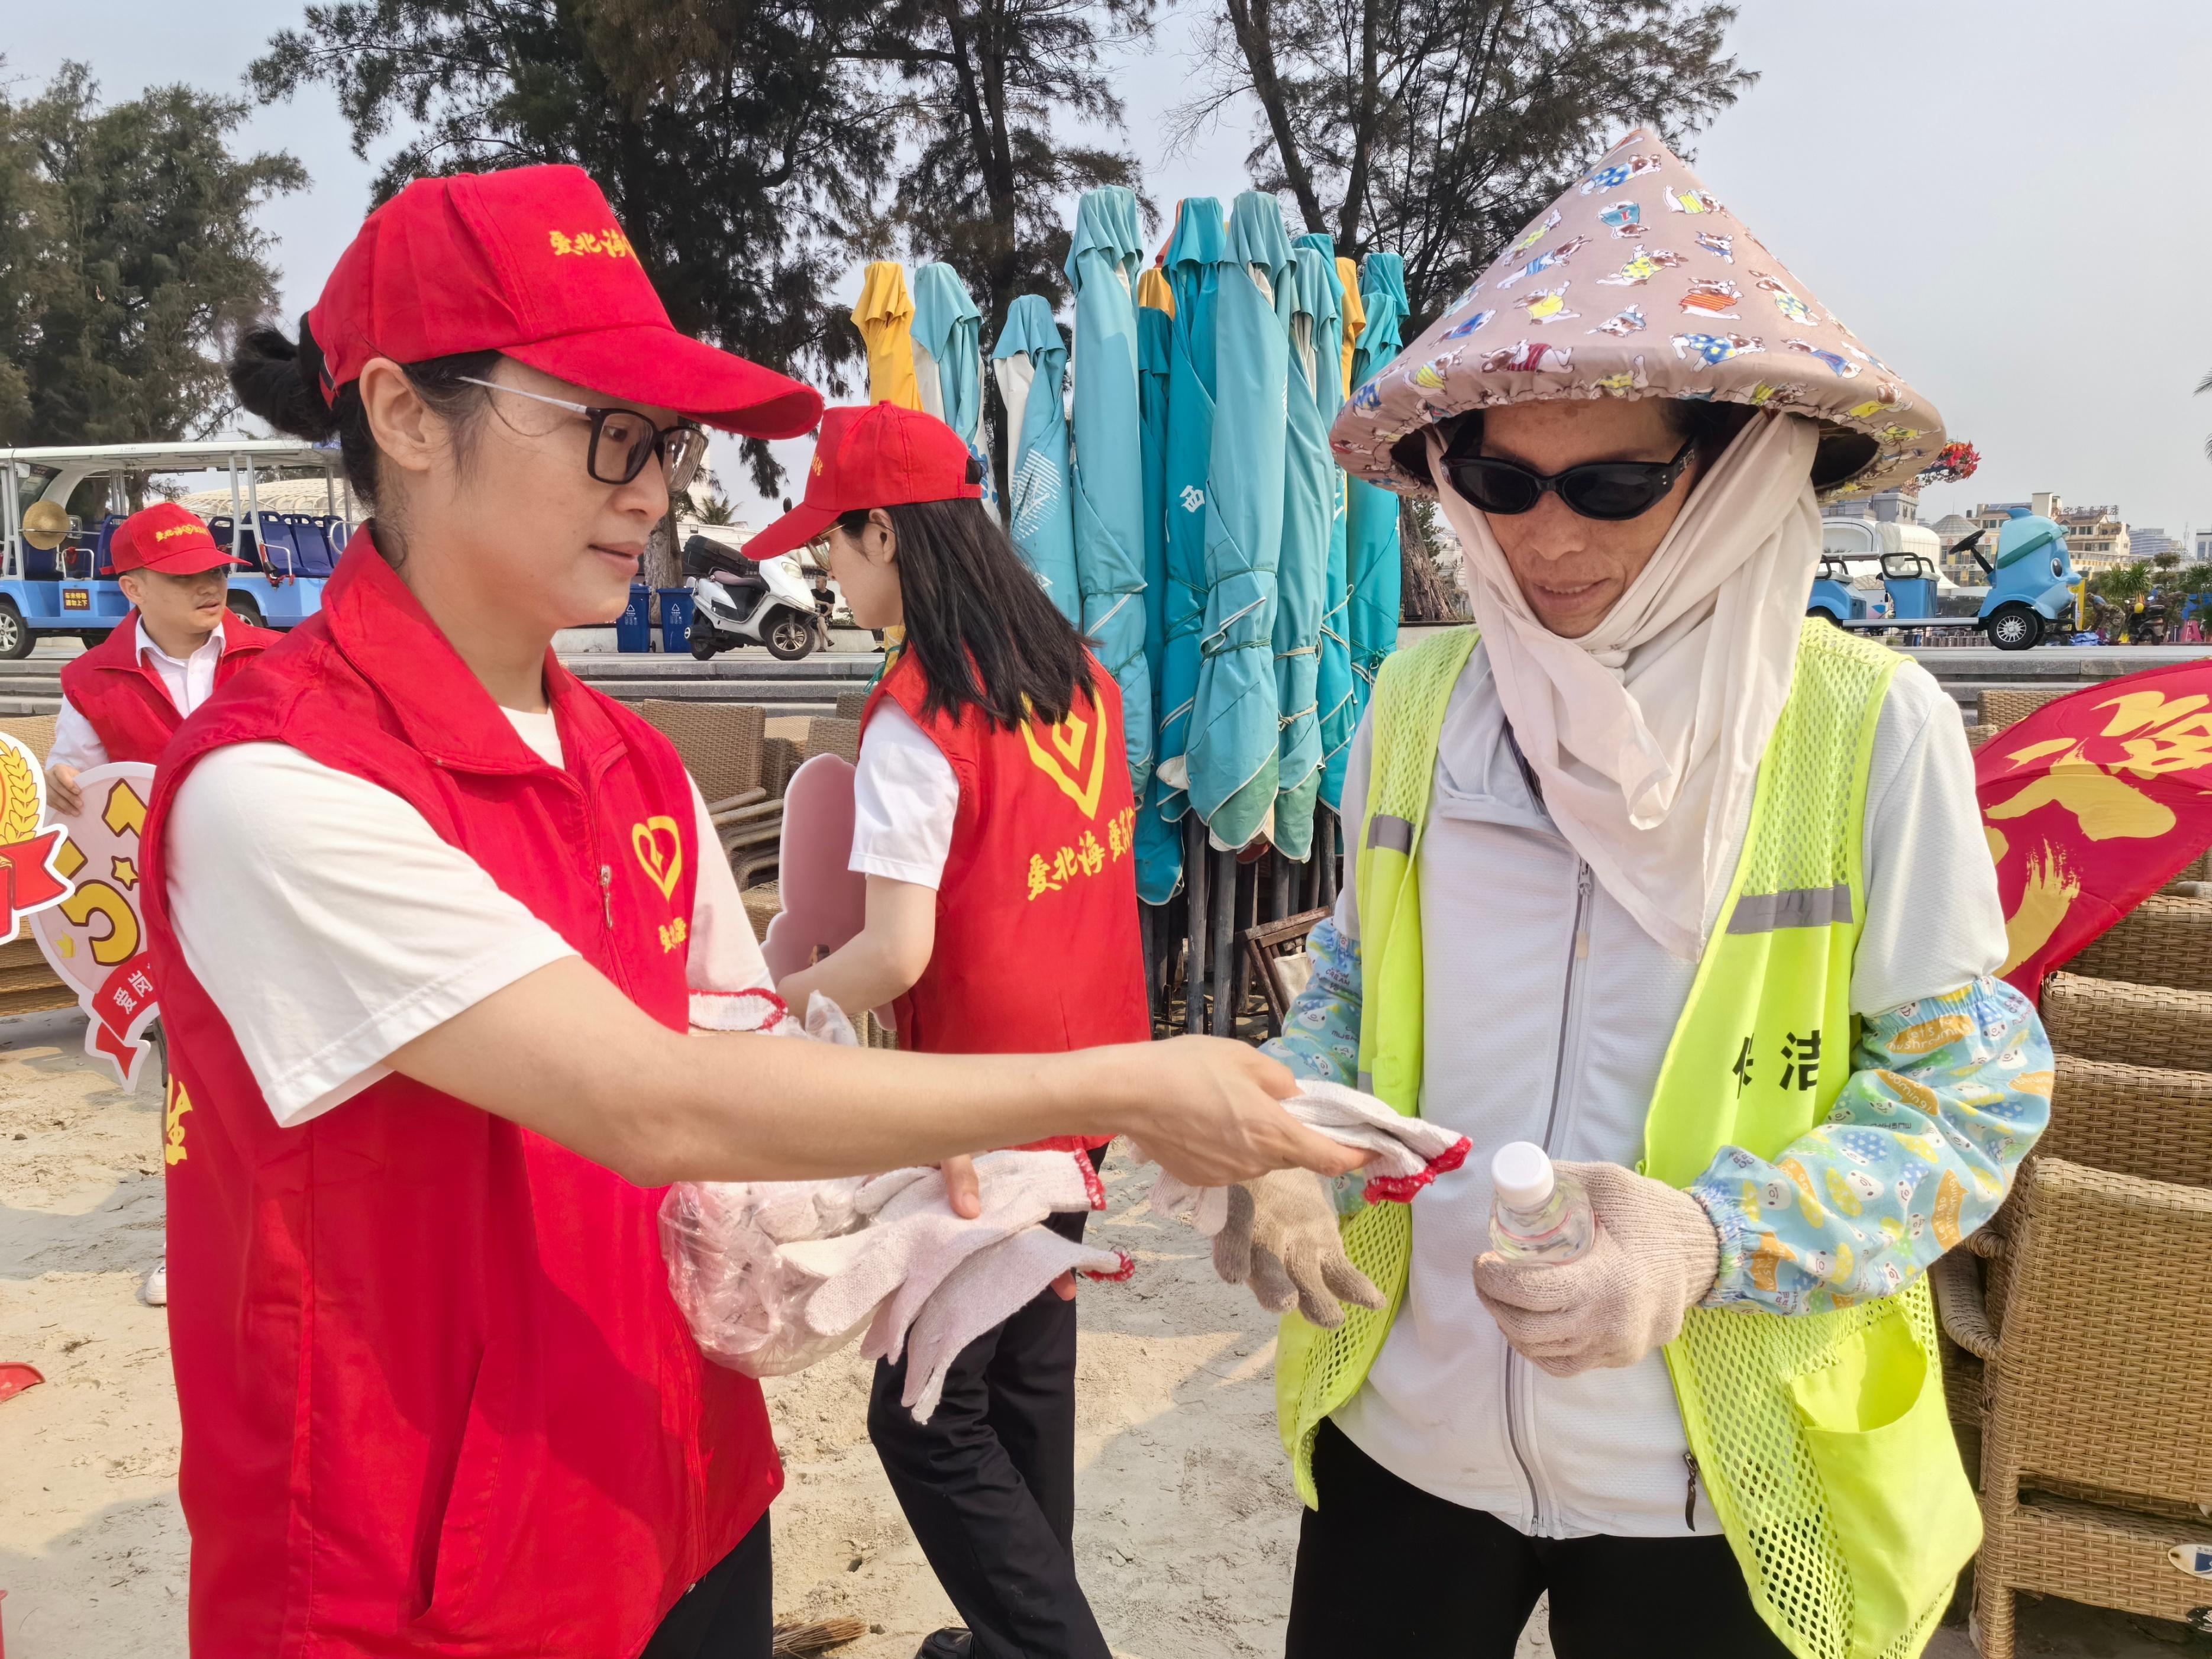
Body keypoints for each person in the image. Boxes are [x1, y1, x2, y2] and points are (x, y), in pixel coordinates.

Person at [150, 163, 1360, 1659]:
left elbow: (751, 1051)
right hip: (425, 1575)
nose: (654, 487)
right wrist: (1119, 1084)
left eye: (662, 440)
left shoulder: (635, 765)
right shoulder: (271, 788)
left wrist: (919, 1167)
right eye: (606, 431)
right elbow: (651, 1098)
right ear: (404, 415)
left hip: (683, 1490)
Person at [1223, 134, 2052, 1659]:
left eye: (1610, 484)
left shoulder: (1868, 729)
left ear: (1734, 473)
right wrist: (1290, 1146)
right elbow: (1347, 984)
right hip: (1411, 1428)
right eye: (1496, 480)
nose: (1545, 538)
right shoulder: (1418, 704)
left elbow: (1970, 1095)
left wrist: (1707, 1243)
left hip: (1716, 1477)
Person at [764, 402, 1144, 1659]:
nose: (825, 567)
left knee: (924, 1412)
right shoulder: (1075, 671)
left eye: (832, 541)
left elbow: (899, 952)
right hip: (1088, 1085)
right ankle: (1008, 1641)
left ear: (885, 531)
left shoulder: (915, 714)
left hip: (981, 1112)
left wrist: (791, 1005)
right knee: (1023, 1385)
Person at [44, 501, 280, 1306]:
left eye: (216, 571)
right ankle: (198, 1248)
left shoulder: (276, 658)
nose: (210, 586)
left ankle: (301, 1244)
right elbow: (81, 797)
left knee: (302, 1076)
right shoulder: (91, 681)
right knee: (195, 1088)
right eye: (187, 578)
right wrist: (61, 788)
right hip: (171, 923)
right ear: (134, 587)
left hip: (279, 907)